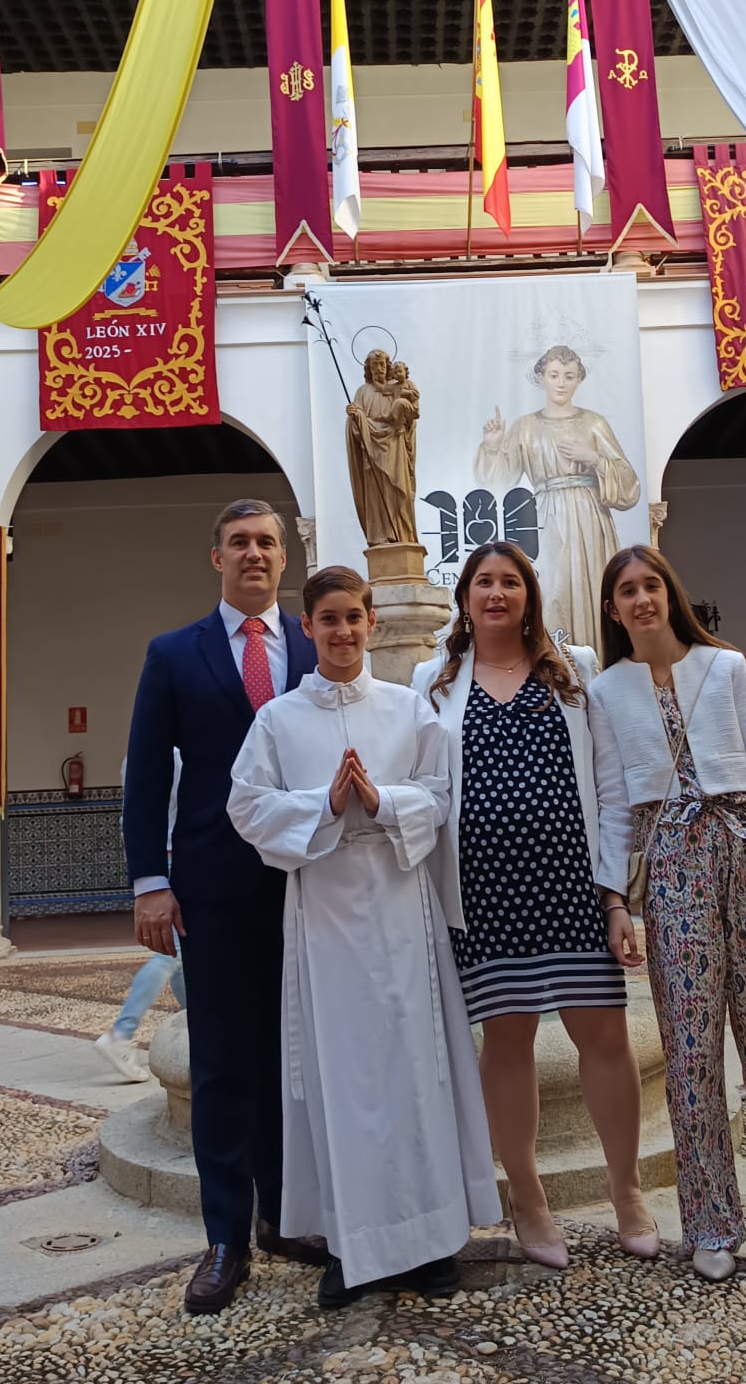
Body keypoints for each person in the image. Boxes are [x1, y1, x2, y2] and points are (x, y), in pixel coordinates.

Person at [227, 565, 502, 1309]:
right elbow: (246, 807)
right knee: (340, 1079)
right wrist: (325, 802)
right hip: (325, 917)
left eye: (353, 617)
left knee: (416, 1068)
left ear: (371, 623)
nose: (343, 631)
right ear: (307, 628)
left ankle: (432, 1241)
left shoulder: (409, 709)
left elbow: (440, 796)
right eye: (329, 619)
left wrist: (382, 802)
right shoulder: (278, 719)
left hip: (400, 908)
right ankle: (354, 1248)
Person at [590, 544, 746, 1289]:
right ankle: (708, 1224)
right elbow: (614, 805)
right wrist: (615, 901)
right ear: (612, 609)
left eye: (651, 586)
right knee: (689, 1054)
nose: (642, 599)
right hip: (672, 874)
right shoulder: (606, 691)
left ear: (669, 594)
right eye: (627, 591)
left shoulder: (725, 668)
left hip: (744, 861)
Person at [412, 542, 658, 1270]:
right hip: (485, 898)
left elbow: (609, 786)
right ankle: (527, 1195)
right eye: (483, 582)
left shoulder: (573, 670)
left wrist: (615, 896)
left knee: (604, 1037)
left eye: (510, 582)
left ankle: (626, 1190)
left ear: (529, 596)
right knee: (508, 1039)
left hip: (570, 890)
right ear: (464, 597)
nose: (496, 593)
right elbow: (422, 787)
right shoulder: (434, 678)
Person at [122, 499, 320, 1314]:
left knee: (291, 1056)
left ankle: (283, 1217)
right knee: (219, 1062)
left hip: (307, 883)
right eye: (238, 542)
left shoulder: (314, 645)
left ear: (284, 557)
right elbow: (144, 772)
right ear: (217, 558)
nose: (253, 554)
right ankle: (224, 1237)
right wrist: (150, 881)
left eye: (266, 541)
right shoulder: (175, 654)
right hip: (211, 885)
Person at [475, 344, 640, 651]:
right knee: (551, 591)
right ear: (541, 378)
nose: (561, 383)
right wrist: (493, 447)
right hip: (545, 518)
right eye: (554, 375)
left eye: (569, 375)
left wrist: (594, 458)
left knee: (592, 588)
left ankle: (599, 659)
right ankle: (552, 662)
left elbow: (629, 486)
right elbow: (497, 482)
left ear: (579, 379)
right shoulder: (526, 426)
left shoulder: (593, 423)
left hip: (589, 516)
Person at [95, 750, 185, 1084]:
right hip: (175, 859)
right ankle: (122, 1033)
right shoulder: (177, 754)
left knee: (179, 954)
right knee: (170, 953)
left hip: (157, 863)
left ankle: (195, 1024)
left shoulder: (136, 755)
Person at [345, 347, 420, 545]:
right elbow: (356, 424)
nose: (378, 368)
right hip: (372, 449)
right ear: (368, 369)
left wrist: (405, 417)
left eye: (381, 364)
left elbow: (411, 418)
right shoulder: (362, 392)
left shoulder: (398, 388)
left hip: (395, 446)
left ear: (387, 366)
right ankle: (381, 536)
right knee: (376, 494)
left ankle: (402, 535)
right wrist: (355, 415)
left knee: (399, 491)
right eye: (374, 365)